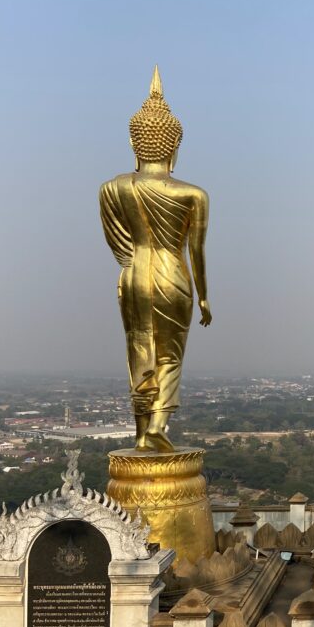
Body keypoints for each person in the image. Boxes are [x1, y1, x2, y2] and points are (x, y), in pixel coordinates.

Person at [99, 66, 211, 452]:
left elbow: (116, 238)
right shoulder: (193, 195)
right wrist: (204, 297)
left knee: (138, 351)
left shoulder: (113, 188)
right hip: (172, 276)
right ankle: (157, 425)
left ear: (135, 144)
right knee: (170, 355)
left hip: (131, 275)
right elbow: (195, 250)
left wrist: (130, 265)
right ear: (174, 147)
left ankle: (140, 431)